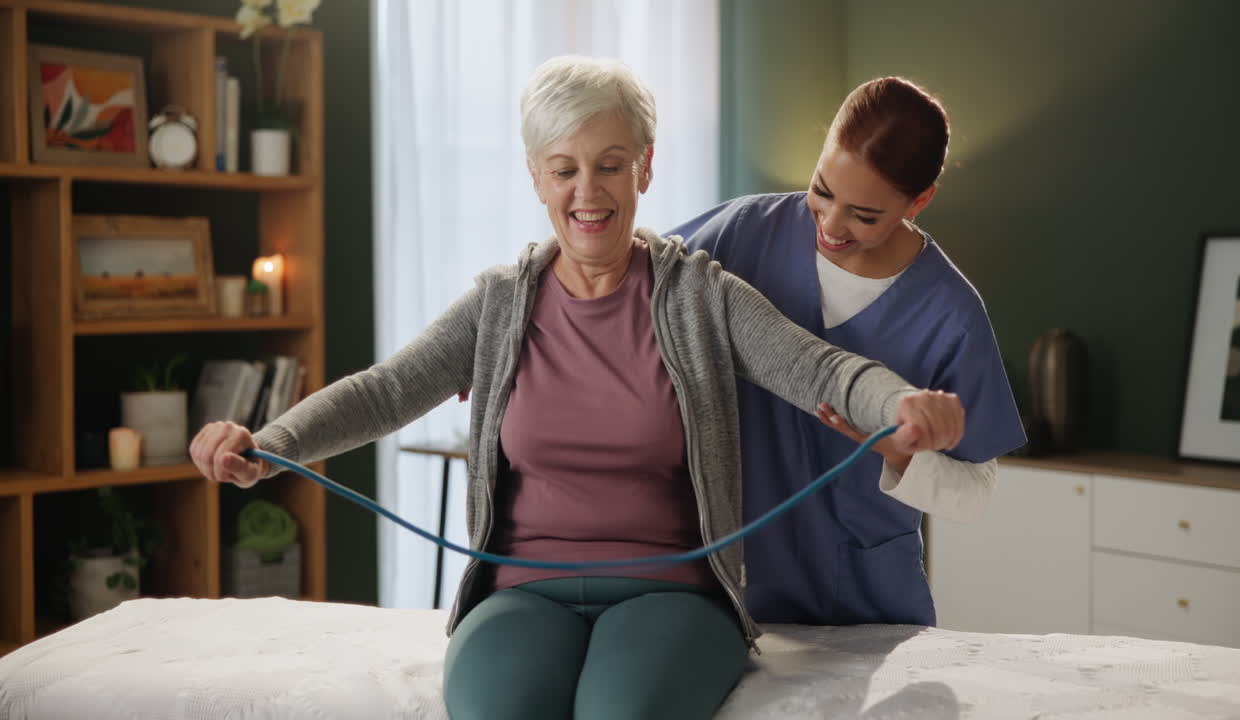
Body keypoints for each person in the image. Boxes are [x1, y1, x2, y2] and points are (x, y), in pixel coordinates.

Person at [189, 58, 966, 720]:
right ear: (537, 177)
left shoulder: (700, 295)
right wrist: (273, 443)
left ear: (646, 167)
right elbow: (386, 390)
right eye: (564, 168)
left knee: (617, 714)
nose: (587, 191)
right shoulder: (499, 305)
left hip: (672, 594)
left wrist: (899, 404)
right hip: (523, 592)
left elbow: (821, 369)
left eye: (610, 163)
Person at [667, 77, 1026, 629]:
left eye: (864, 215)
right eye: (822, 190)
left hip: (863, 600)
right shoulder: (742, 234)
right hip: (732, 583)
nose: (831, 226)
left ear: (919, 201)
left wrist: (899, 454)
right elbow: (624, 286)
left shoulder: (950, 312)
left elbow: (975, 494)